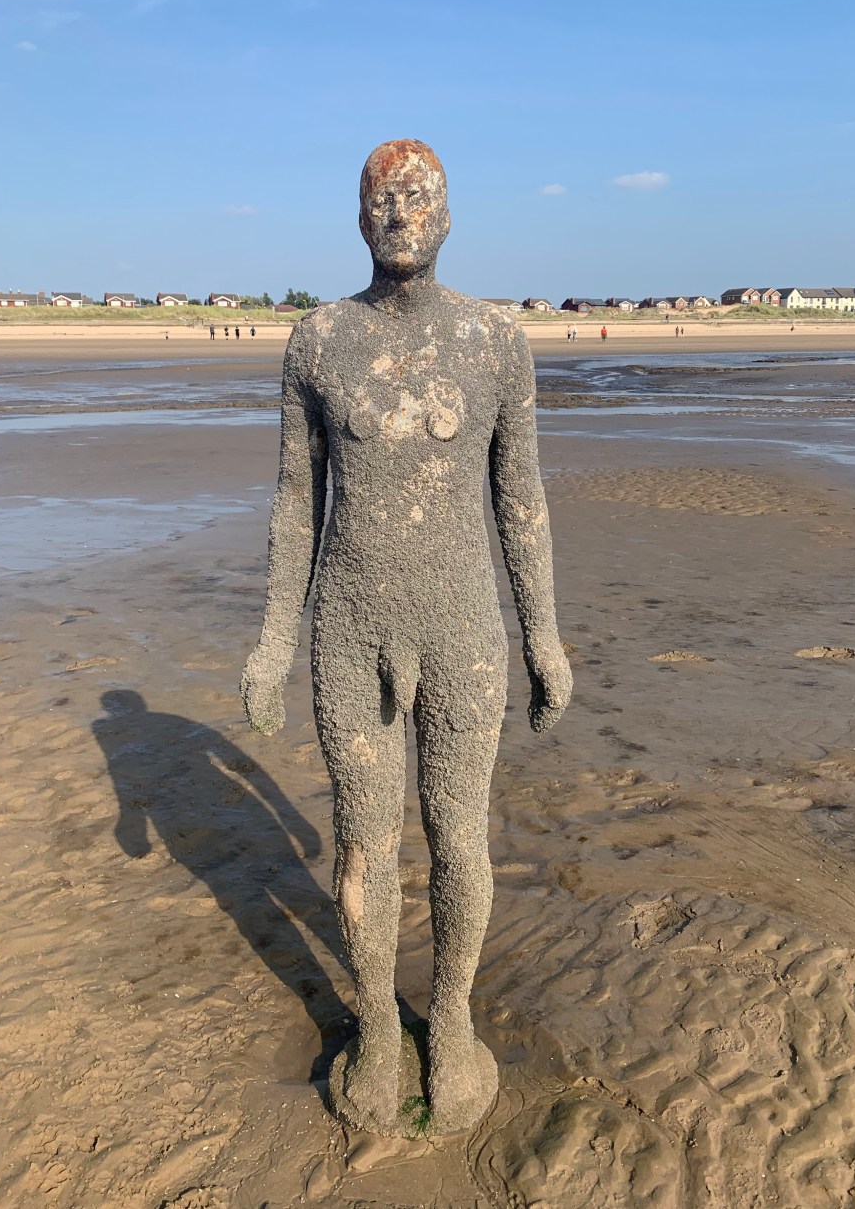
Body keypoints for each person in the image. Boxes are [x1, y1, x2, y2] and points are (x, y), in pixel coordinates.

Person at [241, 139, 571, 1137]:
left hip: (461, 627)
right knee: (363, 841)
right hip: (351, 627)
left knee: (458, 835)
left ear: (448, 214)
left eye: (417, 197)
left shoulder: (494, 342)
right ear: (357, 216)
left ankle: (453, 1022)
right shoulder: (319, 342)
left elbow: (521, 500)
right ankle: (381, 1030)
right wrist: (274, 641)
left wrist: (543, 638)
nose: (398, 214)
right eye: (380, 199)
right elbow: (295, 502)